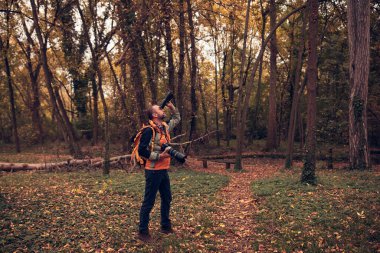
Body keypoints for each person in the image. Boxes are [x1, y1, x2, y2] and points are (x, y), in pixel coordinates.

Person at [137, 102, 180, 242]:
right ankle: (142, 232)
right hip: (153, 171)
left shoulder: (164, 127)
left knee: (167, 198)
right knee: (149, 201)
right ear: (155, 115)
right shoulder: (149, 130)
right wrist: (159, 156)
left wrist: (173, 109)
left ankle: (165, 226)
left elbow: (176, 119)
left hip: (163, 171)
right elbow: (141, 150)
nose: (162, 110)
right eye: (160, 109)